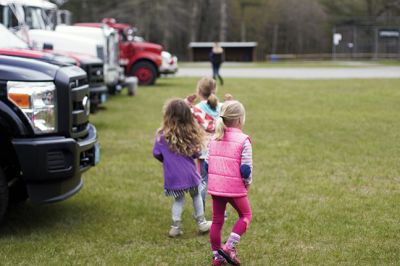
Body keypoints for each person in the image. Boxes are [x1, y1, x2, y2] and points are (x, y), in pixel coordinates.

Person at [152, 99, 212, 237]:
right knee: (196, 195)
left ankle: (175, 227)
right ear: (187, 116)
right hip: (190, 175)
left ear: (167, 115)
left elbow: (156, 153)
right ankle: (201, 223)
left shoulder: (162, 135)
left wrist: (166, 160)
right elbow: (197, 153)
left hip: (172, 176)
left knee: (178, 200)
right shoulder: (190, 133)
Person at [207, 100, 253, 266]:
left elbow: (206, 164)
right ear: (240, 120)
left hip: (216, 187)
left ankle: (217, 257)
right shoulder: (243, 140)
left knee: (217, 220)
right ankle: (229, 247)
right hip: (234, 188)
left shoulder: (213, 138)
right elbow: (246, 169)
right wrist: (246, 183)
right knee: (245, 215)